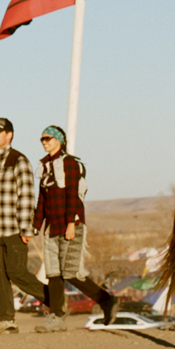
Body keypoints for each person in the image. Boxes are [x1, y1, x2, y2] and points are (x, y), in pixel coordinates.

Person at [32, 125, 120, 333]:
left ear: (59, 141)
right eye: (42, 139)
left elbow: (73, 194)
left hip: (71, 225)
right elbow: (42, 200)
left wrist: (71, 222)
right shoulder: (44, 167)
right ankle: (57, 317)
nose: (45, 142)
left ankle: (106, 300)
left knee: (71, 272)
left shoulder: (70, 164)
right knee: (53, 274)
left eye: (48, 139)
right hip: (51, 228)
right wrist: (35, 226)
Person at [0, 116, 45, 332]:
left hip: (13, 229)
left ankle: (56, 300)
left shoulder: (19, 161)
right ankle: (6, 319)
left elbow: (26, 196)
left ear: (10, 135)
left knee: (17, 273)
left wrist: (27, 229)